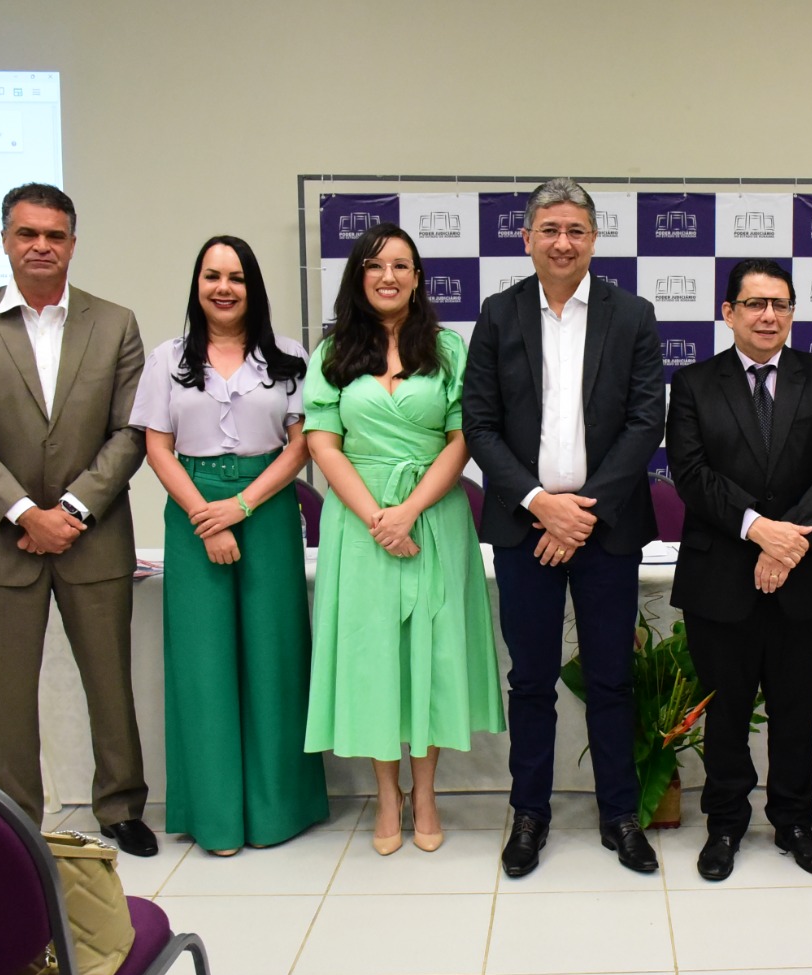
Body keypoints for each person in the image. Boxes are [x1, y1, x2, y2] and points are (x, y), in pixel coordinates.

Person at [0, 183, 156, 855]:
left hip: (94, 537)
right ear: (5, 240)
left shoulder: (114, 323)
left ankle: (119, 807)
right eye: (27, 233)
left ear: (72, 244)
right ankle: (10, 821)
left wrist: (74, 510)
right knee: (5, 697)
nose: (40, 246)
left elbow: (130, 432)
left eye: (54, 235)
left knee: (110, 685)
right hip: (3, 543)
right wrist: (28, 513)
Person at [462, 179, 665, 877]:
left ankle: (621, 814)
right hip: (527, 531)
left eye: (576, 230)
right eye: (549, 229)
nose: (562, 242)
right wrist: (536, 502)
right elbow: (479, 424)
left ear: (593, 240)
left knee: (611, 678)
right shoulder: (497, 315)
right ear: (527, 238)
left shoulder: (631, 315)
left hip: (603, 530)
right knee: (532, 681)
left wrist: (580, 512)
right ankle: (530, 814)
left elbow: (646, 423)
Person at [303, 222, 504, 856]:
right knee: (372, 659)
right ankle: (386, 795)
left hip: (435, 516)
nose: (388, 275)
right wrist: (376, 518)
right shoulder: (333, 352)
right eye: (375, 265)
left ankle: (427, 792)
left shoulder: (447, 347)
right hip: (359, 526)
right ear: (358, 277)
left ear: (418, 278)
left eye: (401, 265)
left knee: (433, 654)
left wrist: (409, 511)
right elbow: (321, 442)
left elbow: (463, 438)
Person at [130, 235, 328, 855]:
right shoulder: (167, 359)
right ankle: (214, 816)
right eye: (212, 275)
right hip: (193, 509)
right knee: (202, 663)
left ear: (253, 287)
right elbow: (156, 445)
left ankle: (276, 813)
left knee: (275, 658)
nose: (223, 287)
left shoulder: (289, 356)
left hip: (266, 507)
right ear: (197, 284)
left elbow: (302, 444)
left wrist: (240, 506)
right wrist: (205, 516)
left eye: (236, 277)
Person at [667, 258, 812, 881]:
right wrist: (759, 532)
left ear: (793, 311)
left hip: (806, 575)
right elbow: (691, 475)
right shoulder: (694, 383)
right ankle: (724, 824)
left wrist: (786, 545)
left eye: (779, 303)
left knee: (796, 707)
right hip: (721, 574)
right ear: (728, 312)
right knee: (726, 709)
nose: (768, 315)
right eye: (754, 304)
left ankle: (794, 822)